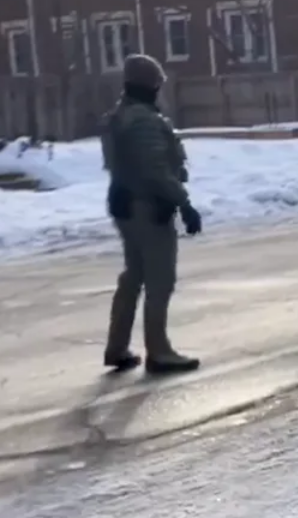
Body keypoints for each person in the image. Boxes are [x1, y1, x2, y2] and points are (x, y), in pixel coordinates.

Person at [100, 54, 202, 374]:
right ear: (151, 85)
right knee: (160, 279)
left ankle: (117, 347)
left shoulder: (120, 116)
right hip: (148, 205)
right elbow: (156, 170)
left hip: (124, 203)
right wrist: (183, 203)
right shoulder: (144, 120)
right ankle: (159, 351)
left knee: (134, 276)